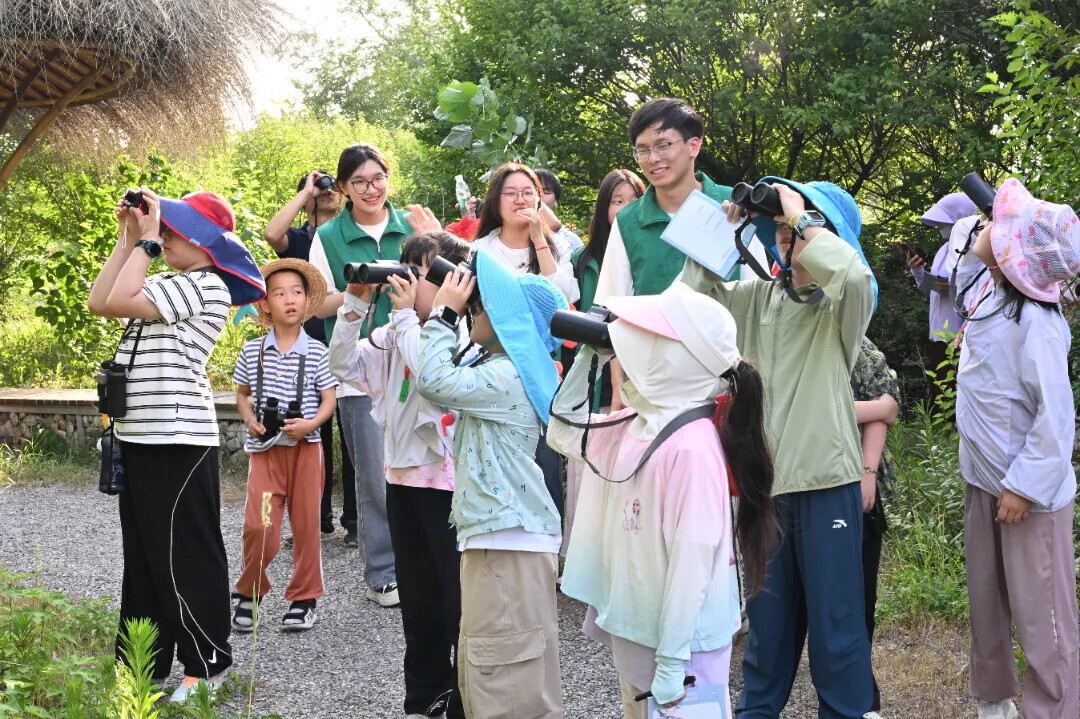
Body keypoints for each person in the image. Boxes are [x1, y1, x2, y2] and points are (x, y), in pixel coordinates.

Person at [679, 178, 876, 718]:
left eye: (803, 233)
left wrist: (803, 219)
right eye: (785, 234)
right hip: (766, 491)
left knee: (837, 628)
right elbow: (692, 306)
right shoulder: (758, 300)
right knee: (766, 630)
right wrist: (726, 229)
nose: (791, 241)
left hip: (825, 485)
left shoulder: (841, 311)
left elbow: (856, 276)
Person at [548, 282, 778, 719]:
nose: (630, 346)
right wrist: (588, 358)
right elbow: (562, 432)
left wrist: (673, 663)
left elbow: (693, 561)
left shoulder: (692, 448)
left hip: (682, 650)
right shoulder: (639, 419)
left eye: (644, 338)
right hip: (645, 636)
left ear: (675, 358)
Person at [88, 187, 265, 702]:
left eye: (174, 230)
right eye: (164, 228)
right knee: (143, 559)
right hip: (140, 435)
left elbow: (120, 300)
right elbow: (102, 301)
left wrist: (144, 242)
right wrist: (128, 241)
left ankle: (207, 666)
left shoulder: (206, 285)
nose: (164, 234)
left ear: (207, 244)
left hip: (178, 438)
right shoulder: (168, 281)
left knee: (184, 554)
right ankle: (142, 667)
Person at [416, 251, 568, 719]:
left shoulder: (507, 375)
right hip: (503, 536)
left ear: (511, 321)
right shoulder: (505, 369)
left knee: (506, 680)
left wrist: (444, 313)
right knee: (497, 667)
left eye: (485, 304)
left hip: (508, 541)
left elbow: (432, 378)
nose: (475, 308)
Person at [328, 231, 471, 719]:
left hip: (448, 488)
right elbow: (342, 364)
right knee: (419, 602)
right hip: (403, 481)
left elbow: (429, 372)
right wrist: (354, 302)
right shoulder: (393, 333)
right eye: (407, 271)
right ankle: (423, 699)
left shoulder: (464, 337)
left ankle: (463, 699)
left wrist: (409, 315)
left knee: (456, 604)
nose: (410, 284)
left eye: (423, 274)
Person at [952, 178, 1079, 719]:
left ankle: (1055, 709)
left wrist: (1023, 488)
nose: (988, 238)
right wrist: (984, 237)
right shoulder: (987, 292)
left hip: (1027, 495)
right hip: (983, 479)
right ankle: (994, 703)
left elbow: (1056, 422)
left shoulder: (1039, 324)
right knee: (987, 602)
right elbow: (959, 265)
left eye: (1000, 236)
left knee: (1042, 615)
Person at [309, 143, 441, 606]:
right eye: (359, 182)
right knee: (372, 473)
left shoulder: (412, 226)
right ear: (342, 188)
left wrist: (438, 241)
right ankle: (383, 570)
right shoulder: (329, 235)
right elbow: (315, 301)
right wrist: (358, 289)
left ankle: (426, 558)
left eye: (378, 178)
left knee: (428, 464)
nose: (371, 189)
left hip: (419, 357)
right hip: (360, 364)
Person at [594, 98, 767, 406]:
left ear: (694, 146)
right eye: (643, 149)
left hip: (732, 387)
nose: (653, 158)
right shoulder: (629, 221)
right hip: (657, 391)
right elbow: (609, 308)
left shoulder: (735, 208)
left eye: (663, 145)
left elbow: (763, 298)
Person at [231, 259, 338, 633]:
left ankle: (304, 598)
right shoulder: (252, 352)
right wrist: (249, 418)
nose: (289, 300)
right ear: (264, 304)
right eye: (279, 293)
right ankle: (250, 590)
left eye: (296, 292)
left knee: (308, 525)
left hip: (306, 451)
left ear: (307, 302)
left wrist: (310, 424)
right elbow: (242, 394)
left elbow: (329, 399)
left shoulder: (319, 352)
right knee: (259, 526)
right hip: (265, 452)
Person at [471, 162, 580, 518]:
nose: (520, 200)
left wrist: (539, 240)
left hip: (544, 365)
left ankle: (550, 548)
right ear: (495, 200)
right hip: (494, 365)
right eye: (511, 193)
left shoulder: (556, 244)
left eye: (527, 193)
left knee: (545, 458)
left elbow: (563, 297)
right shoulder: (482, 249)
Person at [264, 170, 356, 541]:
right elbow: (273, 234)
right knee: (311, 435)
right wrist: (306, 193)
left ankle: (354, 521)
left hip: (345, 341)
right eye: (321, 188)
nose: (327, 192)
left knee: (353, 436)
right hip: (307, 347)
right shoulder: (301, 238)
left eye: (333, 187)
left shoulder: (347, 235)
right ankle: (316, 519)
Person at [560, 168, 645, 560]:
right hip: (593, 377)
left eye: (633, 200)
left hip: (637, 370)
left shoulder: (647, 249)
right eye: (617, 201)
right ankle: (582, 555)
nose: (625, 209)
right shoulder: (582, 258)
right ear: (604, 207)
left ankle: (620, 554)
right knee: (588, 469)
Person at [850, 337, 900, 717]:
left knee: (862, 598)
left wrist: (868, 473)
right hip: (805, 486)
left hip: (864, 494)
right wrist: (876, 408)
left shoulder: (862, 346)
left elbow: (891, 405)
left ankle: (862, 695)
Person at [906, 192, 976, 404]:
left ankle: (954, 431)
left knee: (958, 386)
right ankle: (942, 432)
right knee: (940, 387)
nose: (940, 227)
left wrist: (952, 288)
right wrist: (919, 273)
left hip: (959, 331)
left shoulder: (974, 248)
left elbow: (977, 288)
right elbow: (930, 291)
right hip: (939, 331)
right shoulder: (943, 250)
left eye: (944, 222)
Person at [534, 168, 584, 252]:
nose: (538, 197)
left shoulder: (571, 241)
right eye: (532, 191)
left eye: (545, 192)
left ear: (556, 201)